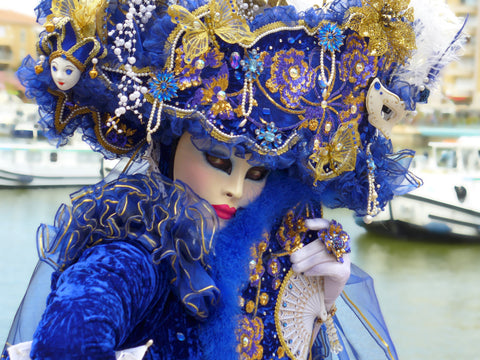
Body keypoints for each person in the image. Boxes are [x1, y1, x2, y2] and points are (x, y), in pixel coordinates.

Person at [2, 0, 465, 359]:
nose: (237, 190)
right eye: (218, 160)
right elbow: (71, 336)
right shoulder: (139, 249)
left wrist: (319, 304)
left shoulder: (272, 232)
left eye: (258, 172)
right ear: (171, 142)